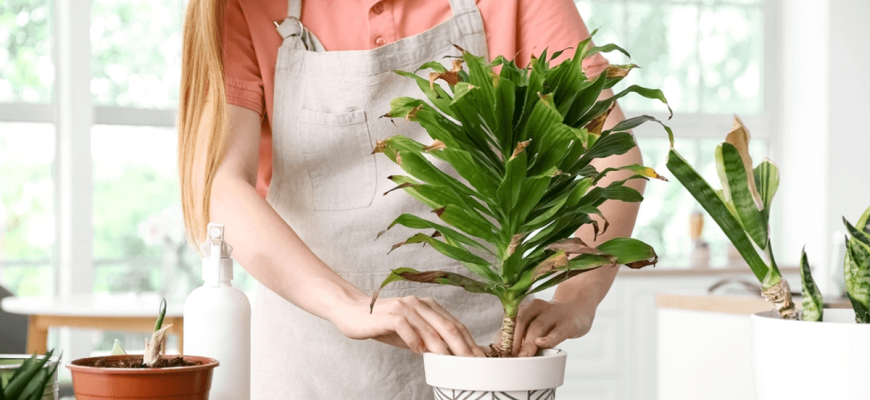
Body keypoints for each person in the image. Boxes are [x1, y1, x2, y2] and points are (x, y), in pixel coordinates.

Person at [177, 0, 646, 398]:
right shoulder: (249, 6)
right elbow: (220, 184)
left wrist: (579, 296)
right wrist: (347, 305)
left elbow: (614, 155)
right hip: (309, 362)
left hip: (483, 362)